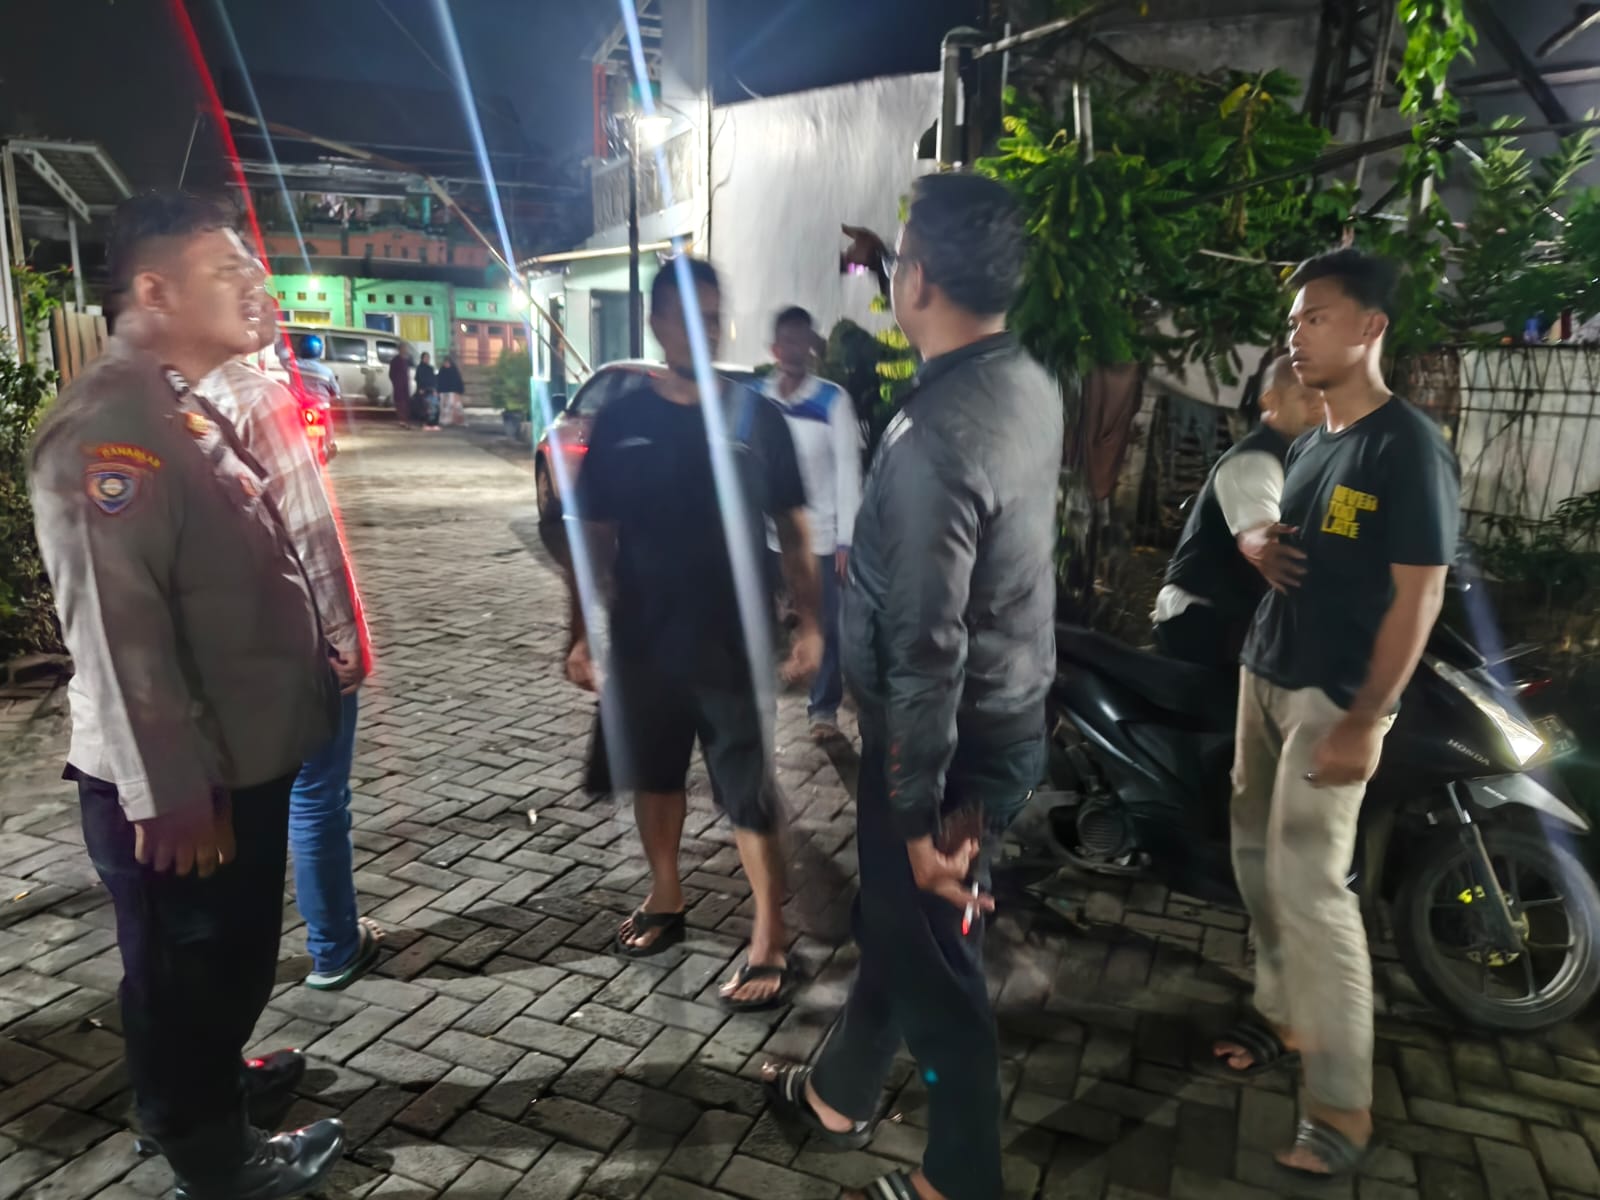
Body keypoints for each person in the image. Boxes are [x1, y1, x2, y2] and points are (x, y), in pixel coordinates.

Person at [27, 192, 345, 1199]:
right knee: (192, 971)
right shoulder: (110, 433)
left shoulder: (176, 405)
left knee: (219, 964)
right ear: (155, 292)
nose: (255, 285)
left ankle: (204, 1086)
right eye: (227, 270)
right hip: (188, 786)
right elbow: (119, 634)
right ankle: (212, 1156)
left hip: (232, 762)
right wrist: (167, 792)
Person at [763, 174, 1062, 1200]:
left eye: (900, 259)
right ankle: (838, 1094)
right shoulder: (1022, 379)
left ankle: (959, 1179)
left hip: (946, 744)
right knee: (902, 928)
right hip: (997, 719)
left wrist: (915, 813)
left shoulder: (937, 433)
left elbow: (928, 644)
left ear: (920, 279)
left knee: (931, 957)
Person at [1210, 249, 1460, 1181]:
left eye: (1315, 317)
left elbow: (1420, 594)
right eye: (1293, 321)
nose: (1296, 335)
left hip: (1335, 697)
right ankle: (1283, 1014)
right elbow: (1286, 542)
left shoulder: (1407, 446)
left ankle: (1341, 1105)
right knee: (1255, 865)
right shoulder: (1314, 442)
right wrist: (1259, 548)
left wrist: (1366, 718)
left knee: (1313, 888)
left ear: (1370, 327)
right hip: (1267, 674)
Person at [564, 257, 823, 1011]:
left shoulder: (754, 419)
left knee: (746, 788)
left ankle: (770, 935)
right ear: (656, 324)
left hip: (732, 639)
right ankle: (666, 895)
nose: (703, 332)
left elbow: (794, 529)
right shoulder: (622, 421)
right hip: (644, 635)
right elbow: (593, 534)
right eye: (687, 318)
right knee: (655, 776)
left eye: (713, 318)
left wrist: (811, 623)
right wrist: (578, 633)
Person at [199, 296, 384, 993]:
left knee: (229, 804)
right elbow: (307, 529)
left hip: (208, 645)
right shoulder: (255, 398)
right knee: (314, 793)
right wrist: (343, 637)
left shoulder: (148, 399)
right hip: (285, 633)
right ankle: (333, 946)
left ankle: (227, 966)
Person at [1152, 354, 1325, 666]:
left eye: (1323, 395)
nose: (1317, 406)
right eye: (1305, 395)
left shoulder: (1302, 460)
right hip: (1202, 618)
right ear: (1271, 401)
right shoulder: (1254, 461)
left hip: (1239, 617)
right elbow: (1267, 541)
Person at [763, 305, 862, 741]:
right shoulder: (760, 399)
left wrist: (846, 541)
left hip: (820, 539)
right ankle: (760, 706)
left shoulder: (833, 401)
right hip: (768, 538)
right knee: (766, 627)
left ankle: (822, 709)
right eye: (787, 340)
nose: (794, 349)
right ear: (774, 347)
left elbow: (848, 472)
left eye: (802, 340)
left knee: (826, 625)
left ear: (811, 347)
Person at [389, 344, 413, 428]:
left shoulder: (407, 360)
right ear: (400, 350)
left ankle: (405, 420)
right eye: (404, 348)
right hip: (398, 385)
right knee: (400, 402)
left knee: (406, 402)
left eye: (405, 348)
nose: (405, 350)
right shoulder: (395, 360)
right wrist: (396, 382)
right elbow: (391, 374)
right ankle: (401, 420)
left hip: (405, 384)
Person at [438, 353, 466, 426]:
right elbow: (439, 381)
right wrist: (439, 391)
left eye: (447, 363)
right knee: (444, 406)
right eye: (445, 363)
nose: (446, 364)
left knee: (454, 406)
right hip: (444, 391)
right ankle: (445, 420)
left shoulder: (454, 371)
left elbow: (458, 382)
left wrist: (458, 392)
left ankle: (456, 421)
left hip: (453, 392)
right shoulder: (442, 370)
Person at [415, 350, 440, 429]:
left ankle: (433, 423)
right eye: (426, 357)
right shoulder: (419, 368)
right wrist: (421, 389)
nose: (427, 359)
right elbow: (418, 379)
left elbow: (434, 379)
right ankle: (425, 423)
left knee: (433, 406)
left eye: (428, 357)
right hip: (423, 390)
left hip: (431, 390)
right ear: (422, 358)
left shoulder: (430, 368)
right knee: (424, 407)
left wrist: (435, 389)